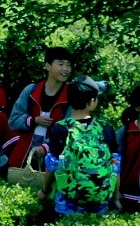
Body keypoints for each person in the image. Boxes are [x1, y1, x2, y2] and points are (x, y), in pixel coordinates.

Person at [42, 77, 119, 215]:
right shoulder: (105, 128)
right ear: (91, 102)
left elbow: (52, 164)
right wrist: (116, 198)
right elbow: (116, 165)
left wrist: (43, 191)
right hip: (101, 201)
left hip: (67, 203)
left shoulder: (60, 128)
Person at [7, 47, 75, 170]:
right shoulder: (31, 90)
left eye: (68, 65)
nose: (65, 69)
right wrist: (33, 120)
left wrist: (46, 147)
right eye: (61, 64)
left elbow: (71, 130)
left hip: (55, 156)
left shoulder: (71, 96)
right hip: (24, 153)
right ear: (48, 66)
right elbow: (13, 120)